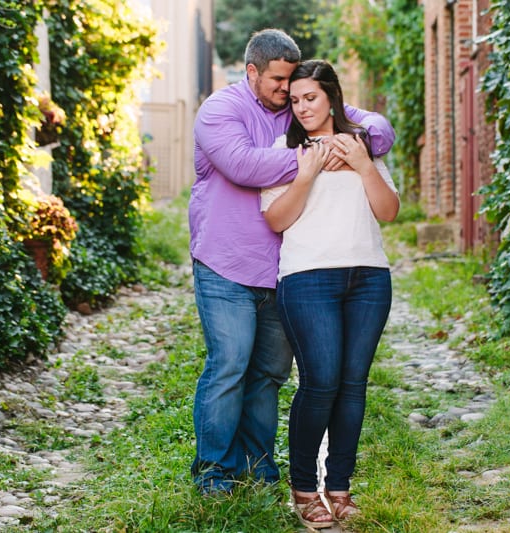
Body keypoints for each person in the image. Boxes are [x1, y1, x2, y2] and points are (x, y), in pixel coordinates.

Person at [189, 29, 395, 495]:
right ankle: (214, 471)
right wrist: (320, 155)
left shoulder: (298, 107)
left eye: (294, 84)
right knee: (229, 365)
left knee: (268, 376)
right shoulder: (222, 110)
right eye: (279, 82)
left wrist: (355, 149)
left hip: (281, 269)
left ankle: (260, 468)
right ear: (252, 73)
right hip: (227, 263)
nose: (288, 92)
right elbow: (242, 164)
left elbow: (377, 128)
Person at [260, 59, 399, 528]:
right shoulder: (283, 149)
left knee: (353, 384)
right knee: (320, 383)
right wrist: (306, 174)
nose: (301, 107)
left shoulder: (363, 144)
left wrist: (363, 165)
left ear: (333, 97)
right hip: (307, 278)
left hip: (368, 278)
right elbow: (276, 220)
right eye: (295, 100)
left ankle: (339, 488)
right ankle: (304, 489)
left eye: (311, 98)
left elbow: (388, 211)